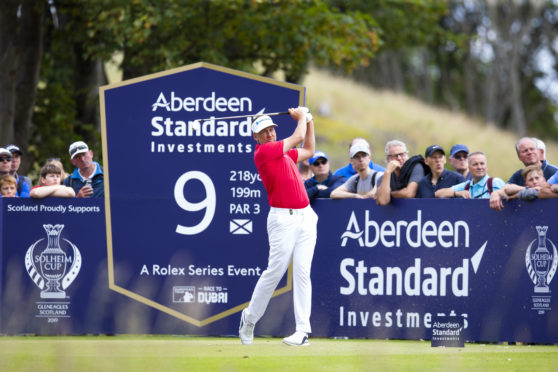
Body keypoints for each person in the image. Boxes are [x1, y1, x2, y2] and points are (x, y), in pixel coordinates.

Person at [239, 107, 317, 347]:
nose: (270, 134)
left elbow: (309, 150)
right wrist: (302, 118)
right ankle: (249, 318)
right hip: (282, 219)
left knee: (303, 273)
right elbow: (296, 138)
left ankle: (302, 331)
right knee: (275, 272)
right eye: (264, 131)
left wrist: (310, 121)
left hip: (306, 216)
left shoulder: (285, 155)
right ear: (256, 137)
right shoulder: (263, 153)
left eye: (272, 129)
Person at [376, 140, 428, 205]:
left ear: (407, 155)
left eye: (402, 154)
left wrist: (390, 194)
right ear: (388, 159)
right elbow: (383, 201)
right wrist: (388, 172)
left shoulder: (415, 167)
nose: (399, 158)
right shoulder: (384, 177)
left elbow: (409, 194)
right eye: (395, 156)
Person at [436, 151, 505, 199]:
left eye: (482, 163)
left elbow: (512, 196)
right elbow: (438, 194)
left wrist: (498, 194)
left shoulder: (495, 182)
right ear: (469, 168)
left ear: (486, 166)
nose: (479, 167)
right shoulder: (466, 186)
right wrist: (457, 193)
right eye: (475, 164)